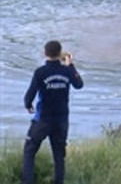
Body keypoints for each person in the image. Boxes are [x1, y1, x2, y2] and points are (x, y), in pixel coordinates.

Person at [22, 40, 84, 184]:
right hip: (61, 121)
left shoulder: (40, 72)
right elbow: (79, 85)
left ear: (45, 53)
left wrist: (28, 105)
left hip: (43, 120)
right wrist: (71, 66)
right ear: (60, 53)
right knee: (59, 155)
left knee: (29, 151)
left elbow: (30, 94)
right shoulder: (67, 71)